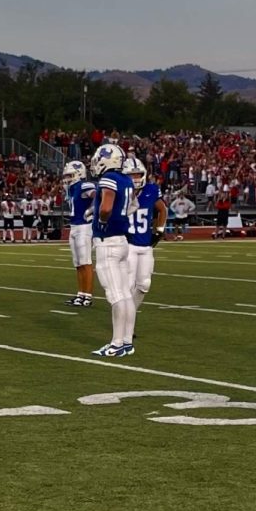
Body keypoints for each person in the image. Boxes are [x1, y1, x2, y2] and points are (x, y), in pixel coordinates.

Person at [89, 144, 136, 358]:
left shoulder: (109, 179)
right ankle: (126, 341)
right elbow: (132, 206)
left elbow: (106, 207)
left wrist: (101, 219)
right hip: (123, 241)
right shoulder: (127, 180)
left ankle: (117, 343)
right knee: (125, 294)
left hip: (108, 242)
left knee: (116, 295)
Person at [123, 157, 166, 344]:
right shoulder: (121, 192)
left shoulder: (150, 190)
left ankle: (127, 317)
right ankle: (126, 326)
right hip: (129, 244)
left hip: (145, 245)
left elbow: (162, 209)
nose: (135, 177)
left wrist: (160, 230)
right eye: (131, 174)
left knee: (144, 285)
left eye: (138, 174)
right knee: (128, 285)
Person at [62, 159, 97, 306]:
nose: (67, 179)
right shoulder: (72, 188)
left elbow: (97, 195)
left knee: (86, 261)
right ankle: (80, 294)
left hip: (84, 227)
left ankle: (87, 296)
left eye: (70, 175)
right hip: (74, 227)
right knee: (78, 263)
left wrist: (92, 210)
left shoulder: (84, 185)